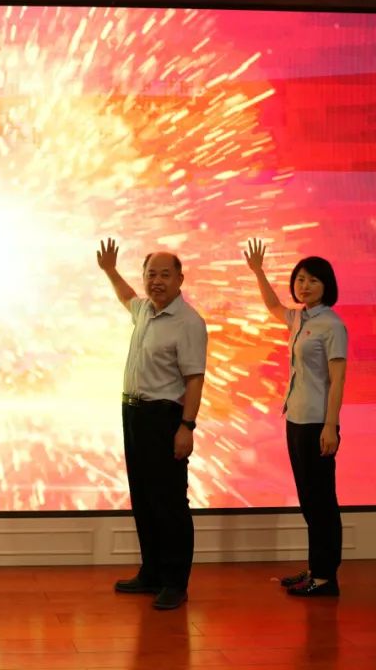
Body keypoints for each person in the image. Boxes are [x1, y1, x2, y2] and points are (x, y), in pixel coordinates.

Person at [97, 238, 207, 610]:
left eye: (164, 275)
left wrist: (187, 426)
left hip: (165, 417)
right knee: (143, 497)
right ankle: (152, 573)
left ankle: (175, 582)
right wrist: (111, 271)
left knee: (169, 501)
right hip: (134, 414)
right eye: (150, 274)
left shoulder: (188, 322)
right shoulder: (145, 310)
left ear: (180, 279)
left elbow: (194, 379)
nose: (156, 281)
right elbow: (126, 296)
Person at [245, 239, 346, 597]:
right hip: (296, 419)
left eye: (313, 280)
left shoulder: (332, 325)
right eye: (300, 279)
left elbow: (338, 380)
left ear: (326, 286)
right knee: (309, 500)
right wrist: (258, 271)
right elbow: (273, 305)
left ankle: (325, 577)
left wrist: (331, 426)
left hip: (318, 422)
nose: (305, 285)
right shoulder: (300, 317)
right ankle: (315, 568)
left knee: (322, 502)